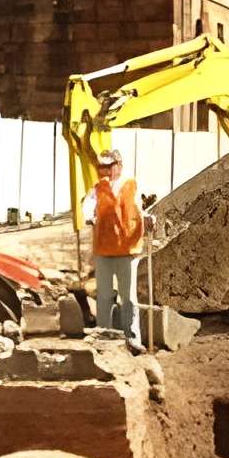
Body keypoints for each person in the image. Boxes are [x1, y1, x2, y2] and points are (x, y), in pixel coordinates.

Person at [89, 148, 148, 352]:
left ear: (118, 166)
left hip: (127, 249)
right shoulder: (97, 189)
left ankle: (132, 338)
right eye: (101, 167)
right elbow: (88, 207)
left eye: (108, 166)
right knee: (104, 296)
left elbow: (139, 211)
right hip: (104, 249)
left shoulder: (130, 186)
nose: (104, 170)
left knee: (129, 298)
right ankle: (104, 337)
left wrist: (148, 221)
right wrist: (90, 216)